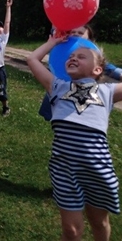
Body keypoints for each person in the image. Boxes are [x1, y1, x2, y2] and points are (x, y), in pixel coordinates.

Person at [27, 34, 122, 241]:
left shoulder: (107, 91)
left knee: (99, 223)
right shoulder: (57, 86)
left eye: (82, 56)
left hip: (98, 168)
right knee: (71, 231)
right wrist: (53, 42)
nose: (73, 58)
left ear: (98, 70)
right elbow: (32, 60)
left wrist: (113, 70)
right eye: (71, 56)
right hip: (65, 169)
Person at [39, 25, 122, 121]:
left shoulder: (92, 52)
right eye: (73, 32)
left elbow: (106, 66)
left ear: (89, 38)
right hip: (60, 87)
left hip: (81, 90)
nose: (76, 35)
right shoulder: (62, 47)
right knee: (53, 118)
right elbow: (56, 29)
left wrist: (119, 73)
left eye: (80, 33)